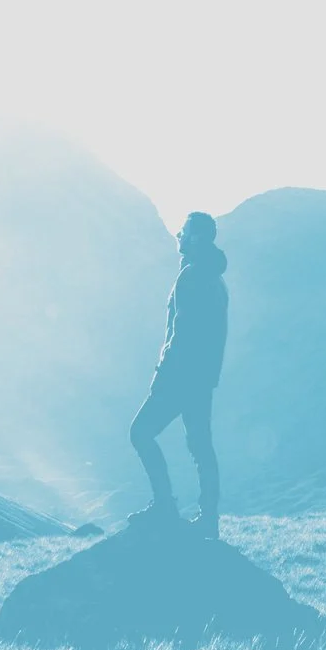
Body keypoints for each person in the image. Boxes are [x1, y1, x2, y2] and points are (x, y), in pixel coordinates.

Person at [128, 210, 228, 532]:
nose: (178, 236)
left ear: (195, 237)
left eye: (183, 231)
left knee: (140, 432)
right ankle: (209, 519)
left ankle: (164, 506)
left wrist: (163, 374)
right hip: (202, 380)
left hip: (180, 378)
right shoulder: (215, 279)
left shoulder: (190, 277)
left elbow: (181, 335)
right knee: (201, 445)